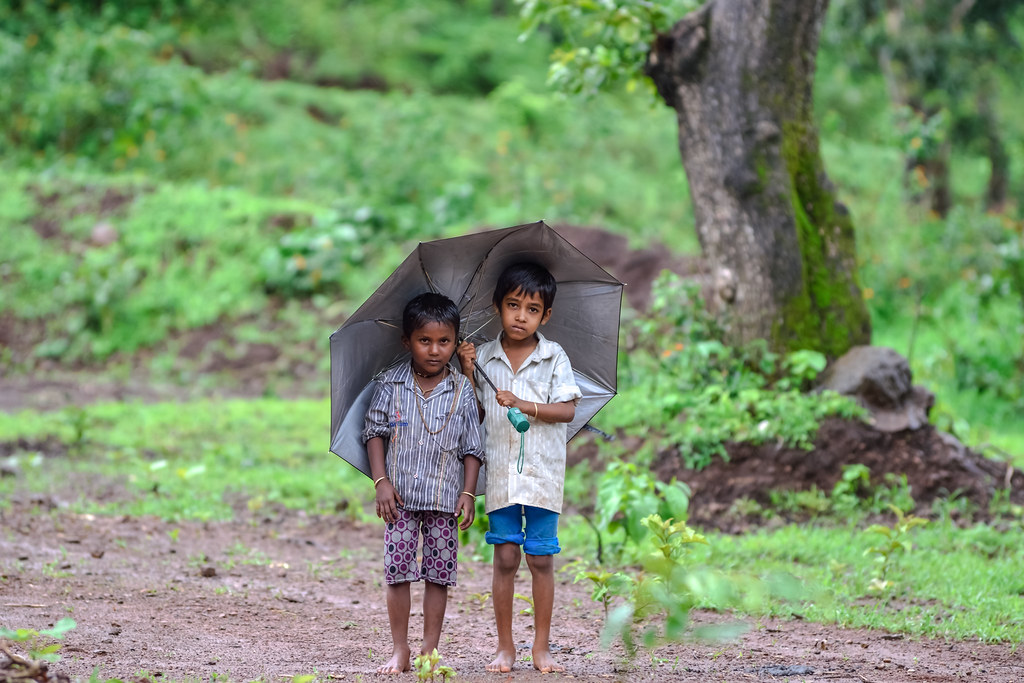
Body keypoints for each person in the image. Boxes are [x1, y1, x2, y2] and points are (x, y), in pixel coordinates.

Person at [456, 262, 581, 674]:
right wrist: (470, 372)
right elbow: (473, 413)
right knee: (505, 557)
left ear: (545, 316)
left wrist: (524, 404)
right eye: (513, 306)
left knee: (541, 559)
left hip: (543, 475)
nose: (520, 317)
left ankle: (541, 647)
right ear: (497, 307)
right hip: (501, 474)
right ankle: (505, 647)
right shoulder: (485, 357)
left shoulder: (553, 356)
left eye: (531, 309)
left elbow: (566, 410)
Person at [363, 292, 484, 674]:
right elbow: (374, 432)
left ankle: (429, 650)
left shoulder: (463, 390)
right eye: (424, 340)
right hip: (398, 500)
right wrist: (381, 481)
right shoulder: (390, 383)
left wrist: (468, 492)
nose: (434, 350)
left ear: (455, 342)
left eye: (444, 341)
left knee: (438, 575)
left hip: (445, 499)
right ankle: (399, 648)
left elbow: (472, 446)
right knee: (397, 571)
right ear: (407, 341)